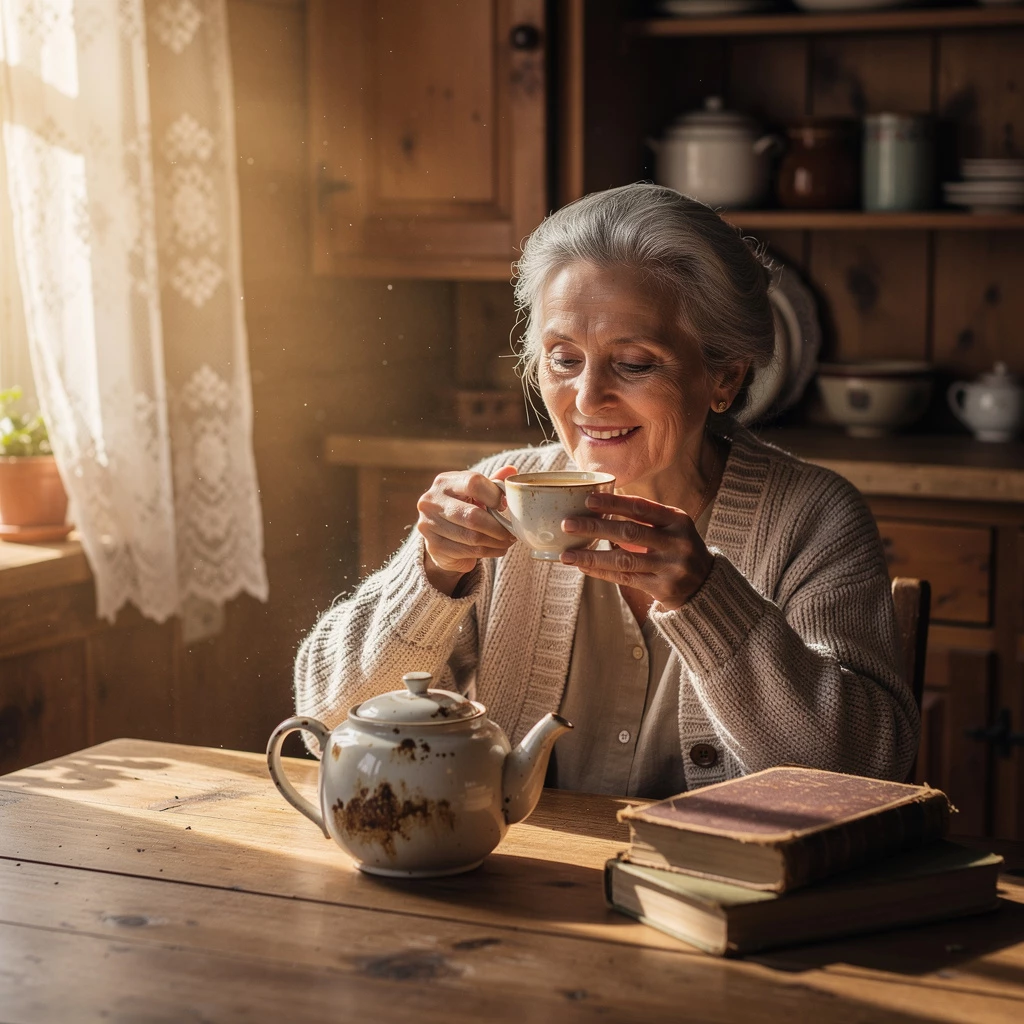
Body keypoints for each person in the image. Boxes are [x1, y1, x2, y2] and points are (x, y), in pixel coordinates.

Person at [295, 183, 919, 797]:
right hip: (522, 884)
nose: (588, 399)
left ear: (723, 377)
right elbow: (324, 724)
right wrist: (433, 577)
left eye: (636, 362)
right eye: (564, 359)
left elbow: (868, 774)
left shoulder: (812, 518)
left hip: (731, 891)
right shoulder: (502, 491)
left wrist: (710, 601)